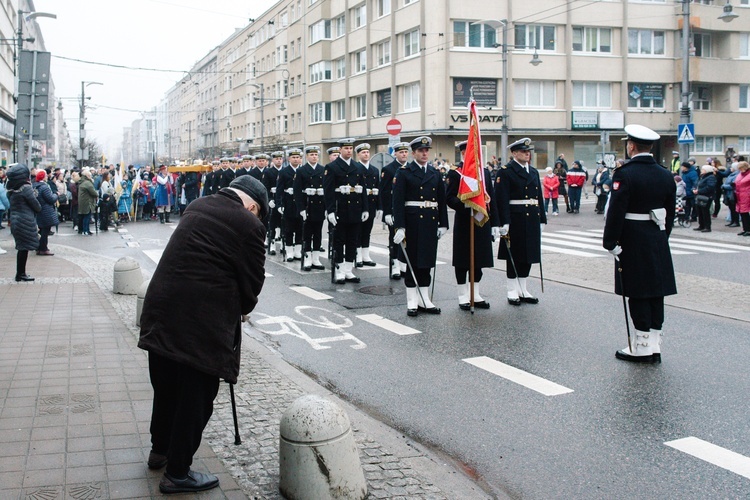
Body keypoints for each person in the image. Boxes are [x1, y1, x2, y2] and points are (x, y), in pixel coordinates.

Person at [138, 175, 268, 494]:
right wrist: (243, 304)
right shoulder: (249, 225)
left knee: (166, 386)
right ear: (252, 206)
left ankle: (160, 450)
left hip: (161, 309)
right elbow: (252, 284)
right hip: (201, 322)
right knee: (196, 397)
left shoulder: (197, 205)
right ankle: (178, 472)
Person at [602, 124, 676, 363]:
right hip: (656, 235)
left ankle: (641, 346)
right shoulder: (665, 174)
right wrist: (662, 236)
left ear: (631, 146)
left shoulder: (625, 173)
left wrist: (610, 242)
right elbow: (670, 212)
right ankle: (654, 343)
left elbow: (616, 211)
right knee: (656, 290)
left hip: (633, 236)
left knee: (637, 290)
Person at [392, 136, 449, 316]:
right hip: (412, 222)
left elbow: (441, 200)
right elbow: (397, 202)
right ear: (413, 153)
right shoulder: (404, 172)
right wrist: (399, 227)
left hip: (430, 223)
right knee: (413, 263)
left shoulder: (434, 173)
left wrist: (443, 224)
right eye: (421, 151)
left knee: (426, 262)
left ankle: (425, 299)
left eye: (427, 151)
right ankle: (412, 301)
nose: (425, 153)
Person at [445, 140, 500, 310]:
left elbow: (491, 199)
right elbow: (449, 198)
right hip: (464, 221)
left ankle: (475, 294)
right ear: (463, 153)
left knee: (479, 259)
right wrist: (464, 205)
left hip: (481, 221)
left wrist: (495, 223)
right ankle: (463, 295)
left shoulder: (483, 172)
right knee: (463, 260)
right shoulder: (456, 173)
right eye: (469, 152)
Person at [494, 138, 546, 305]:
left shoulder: (534, 172)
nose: (527, 154)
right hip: (515, 218)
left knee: (528, 254)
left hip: (531, 216)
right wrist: (504, 222)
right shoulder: (506, 171)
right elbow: (501, 199)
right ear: (514, 153)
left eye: (528, 151)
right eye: (523, 151)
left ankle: (523, 288)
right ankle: (511, 290)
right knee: (514, 255)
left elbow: (539, 198)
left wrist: (542, 219)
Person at [323, 137, 369, 284]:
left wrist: (365, 209)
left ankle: (349, 270)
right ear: (340, 150)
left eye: (351, 148)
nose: (349, 151)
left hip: (355, 208)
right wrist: (330, 211)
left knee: (352, 241)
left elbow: (363, 190)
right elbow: (328, 191)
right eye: (346, 148)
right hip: (340, 208)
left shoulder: (358, 167)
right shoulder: (332, 167)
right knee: (339, 240)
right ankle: (340, 269)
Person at [380, 142, 410, 280]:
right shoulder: (389, 169)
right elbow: (385, 192)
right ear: (395, 154)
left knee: (406, 239)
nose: (404, 154)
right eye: (401, 152)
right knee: (394, 239)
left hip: (407, 209)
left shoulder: (410, 168)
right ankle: (394, 266)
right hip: (393, 210)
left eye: (405, 152)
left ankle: (403, 265)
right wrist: (386, 212)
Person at [6, 164, 41, 280]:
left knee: (21, 247)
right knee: (23, 249)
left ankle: (20, 273)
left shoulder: (11, 189)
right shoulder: (26, 188)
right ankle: (21, 274)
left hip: (16, 220)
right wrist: (35, 195)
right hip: (25, 220)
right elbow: (37, 206)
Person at [294, 145, 326, 271]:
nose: (314, 157)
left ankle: (316, 258)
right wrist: (301, 208)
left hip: (319, 205)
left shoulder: (323, 169)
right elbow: (297, 191)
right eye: (311, 155)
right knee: (307, 233)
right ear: (307, 156)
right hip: (307, 205)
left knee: (318, 233)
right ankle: (307, 257)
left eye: (316, 155)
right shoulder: (301, 171)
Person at [276, 148, 304, 261]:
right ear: (289, 158)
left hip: (300, 203)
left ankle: (298, 251)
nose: (296, 159)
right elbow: (279, 190)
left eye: (298, 157)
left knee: (300, 228)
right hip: (288, 203)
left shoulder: (302, 171)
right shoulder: (283, 172)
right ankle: (289, 251)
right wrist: (279, 204)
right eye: (293, 157)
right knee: (288, 229)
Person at [355, 142, 380, 267]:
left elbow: (379, 188)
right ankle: (358, 255)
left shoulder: (374, 170)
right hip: (358, 204)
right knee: (358, 230)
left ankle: (366, 255)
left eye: (367, 152)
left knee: (367, 231)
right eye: (363, 152)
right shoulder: (356, 168)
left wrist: (380, 207)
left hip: (371, 203)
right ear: (358, 155)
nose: (366, 154)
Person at [33, 170, 59, 255]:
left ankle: (39, 247)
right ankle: (43, 248)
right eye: (46, 176)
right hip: (46, 211)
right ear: (43, 177)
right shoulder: (44, 187)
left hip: (39, 210)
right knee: (45, 230)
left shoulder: (34, 186)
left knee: (42, 230)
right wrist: (56, 195)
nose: (47, 177)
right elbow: (50, 199)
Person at [692, 164, 717, 232]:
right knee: (699, 211)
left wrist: (699, 191)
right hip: (700, 195)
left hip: (706, 196)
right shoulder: (702, 176)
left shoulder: (711, 177)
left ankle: (707, 226)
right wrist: (694, 189)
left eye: (703, 169)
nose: (701, 171)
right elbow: (696, 183)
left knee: (705, 211)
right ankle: (701, 225)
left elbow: (710, 187)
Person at [78, 169, 98, 235]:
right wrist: (97, 194)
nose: (91, 176)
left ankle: (85, 230)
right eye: (90, 175)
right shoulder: (88, 183)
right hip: (87, 202)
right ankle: (85, 230)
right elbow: (93, 192)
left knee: (84, 217)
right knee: (87, 217)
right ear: (87, 176)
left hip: (83, 202)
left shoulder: (82, 181)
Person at [734, 161, 750, 236]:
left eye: (741, 168)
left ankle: (748, 230)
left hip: (746, 195)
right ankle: (745, 229)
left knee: (745, 213)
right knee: (742, 213)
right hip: (739, 195)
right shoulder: (740, 174)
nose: (740, 170)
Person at [723, 162, 740, 228]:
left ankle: (736, 221)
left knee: (734, 209)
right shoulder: (731, 174)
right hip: (728, 194)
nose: (730, 168)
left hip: (732, 194)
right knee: (731, 208)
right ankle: (732, 221)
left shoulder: (736, 175)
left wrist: (724, 186)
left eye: (732, 167)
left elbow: (732, 185)